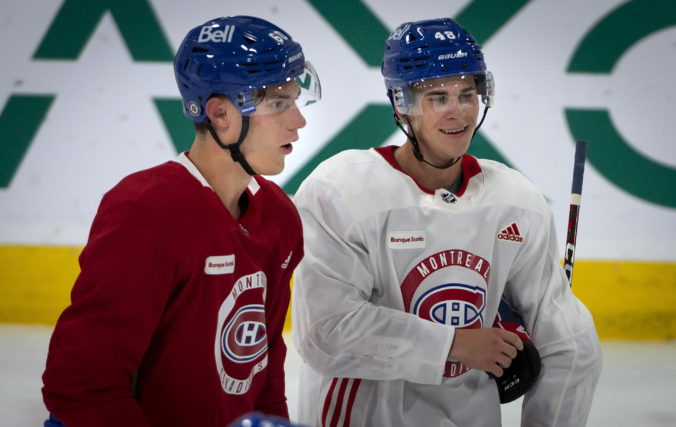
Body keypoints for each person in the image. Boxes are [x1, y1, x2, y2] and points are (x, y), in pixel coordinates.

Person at [292, 17, 601, 426]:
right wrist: (455, 344)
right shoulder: (342, 190)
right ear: (402, 104)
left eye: (467, 94)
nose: (458, 111)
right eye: (437, 97)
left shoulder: (515, 200)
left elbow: (572, 345)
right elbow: (326, 333)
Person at [41, 15, 320, 426]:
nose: (299, 121)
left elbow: (262, 364)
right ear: (220, 113)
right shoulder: (146, 211)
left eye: (296, 101)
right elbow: (81, 387)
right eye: (279, 103)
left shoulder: (279, 216)